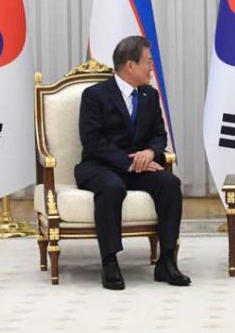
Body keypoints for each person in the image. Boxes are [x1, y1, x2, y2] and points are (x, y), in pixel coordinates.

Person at [75, 36, 190, 290]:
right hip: (101, 166)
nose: (152, 68)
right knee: (112, 188)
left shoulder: (149, 95)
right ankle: (110, 262)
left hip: (140, 168)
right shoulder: (94, 95)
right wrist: (131, 162)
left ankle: (166, 261)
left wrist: (149, 152)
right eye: (148, 62)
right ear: (130, 65)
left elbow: (159, 135)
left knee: (170, 184)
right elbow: (93, 141)